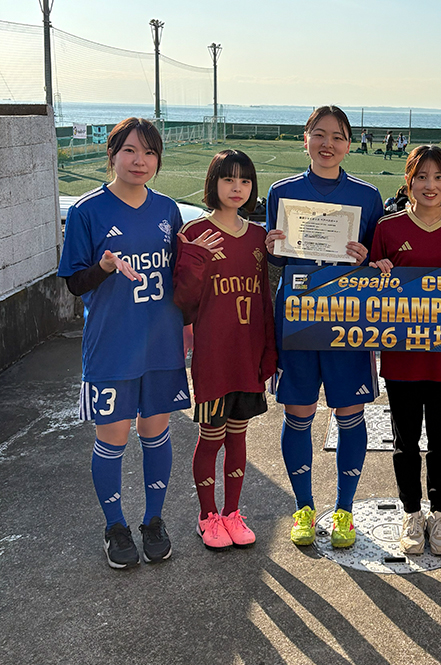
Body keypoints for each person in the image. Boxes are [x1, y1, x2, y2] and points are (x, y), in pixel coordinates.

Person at [58, 118, 191, 568]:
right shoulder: (86, 211)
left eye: (150, 153)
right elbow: (75, 283)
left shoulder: (168, 210)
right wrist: (105, 268)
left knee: (155, 431)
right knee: (113, 436)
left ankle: (153, 520)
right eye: (131, 151)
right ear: (111, 154)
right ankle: (115, 527)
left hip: (161, 343)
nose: (141, 161)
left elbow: (179, 276)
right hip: (112, 345)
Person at [265, 106, 385, 549]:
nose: (328, 143)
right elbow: (277, 258)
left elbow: (378, 263)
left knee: (350, 413)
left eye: (337, 136)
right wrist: (273, 250)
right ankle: (303, 506)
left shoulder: (368, 196)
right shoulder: (283, 192)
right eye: (319, 134)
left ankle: (345, 512)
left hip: (348, 321)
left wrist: (366, 258)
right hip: (296, 319)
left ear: (349, 143)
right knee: (298, 412)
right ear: (306, 138)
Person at [369, 145, 441, 556]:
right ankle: (411, 512)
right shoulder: (388, 228)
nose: (429, 185)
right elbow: (369, 294)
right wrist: (376, 273)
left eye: (438, 177)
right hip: (401, 357)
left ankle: (440, 513)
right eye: (421, 177)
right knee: (405, 441)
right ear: (408, 180)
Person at [173, 150, 277, 550]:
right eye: (228, 179)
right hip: (213, 357)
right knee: (211, 435)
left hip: (246, 354)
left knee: (239, 434)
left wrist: (269, 351)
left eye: (245, 181)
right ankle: (207, 516)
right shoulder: (195, 233)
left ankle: (232, 513)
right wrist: (197, 259)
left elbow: (264, 299)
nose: (237, 188)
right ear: (213, 183)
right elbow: (184, 301)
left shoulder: (257, 238)